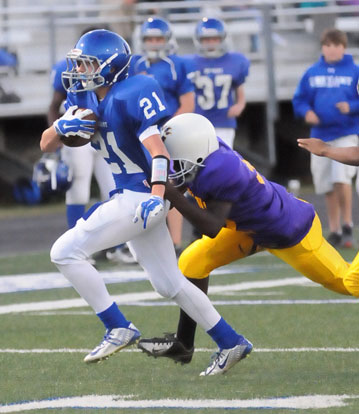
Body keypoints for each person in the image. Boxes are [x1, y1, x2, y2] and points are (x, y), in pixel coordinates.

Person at [40, 29, 252, 376]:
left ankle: (117, 326)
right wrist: (61, 126)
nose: (80, 70)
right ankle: (231, 341)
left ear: (110, 66)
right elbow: (46, 144)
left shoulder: (131, 93)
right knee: (169, 284)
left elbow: (159, 151)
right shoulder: (87, 98)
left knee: (64, 251)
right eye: (79, 63)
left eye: (88, 63)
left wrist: (156, 196)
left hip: (140, 196)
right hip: (134, 199)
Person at [137, 113, 358, 365]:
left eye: (178, 160)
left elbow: (210, 226)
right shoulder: (203, 151)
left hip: (289, 231)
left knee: (349, 282)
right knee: (191, 262)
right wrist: (157, 192)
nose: (174, 165)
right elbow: (183, 177)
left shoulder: (222, 169)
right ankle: (184, 344)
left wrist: (169, 194)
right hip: (247, 228)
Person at [49, 27, 135, 264]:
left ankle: (116, 247)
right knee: (79, 188)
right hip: (78, 135)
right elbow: (54, 105)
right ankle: (79, 248)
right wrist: (59, 131)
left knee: (112, 189)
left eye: (85, 61)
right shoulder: (69, 76)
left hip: (105, 136)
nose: (77, 68)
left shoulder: (122, 78)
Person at [129, 17, 195, 254]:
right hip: (140, 135)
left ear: (167, 40)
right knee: (141, 186)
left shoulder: (176, 64)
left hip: (167, 134)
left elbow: (188, 102)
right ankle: (143, 244)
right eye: (149, 39)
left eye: (158, 38)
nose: (154, 43)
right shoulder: (133, 64)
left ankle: (176, 243)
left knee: (171, 187)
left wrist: (168, 129)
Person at [292, 28, 359, 248]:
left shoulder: (354, 71)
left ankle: (348, 223)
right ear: (322, 47)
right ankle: (335, 229)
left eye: (336, 45)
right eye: (327, 45)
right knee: (326, 185)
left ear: (343, 47)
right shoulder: (312, 72)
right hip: (320, 135)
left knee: (342, 178)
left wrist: (351, 106)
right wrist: (307, 112)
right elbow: (300, 99)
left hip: (347, 131)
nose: (331, 49)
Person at [187, 17, 250, 149]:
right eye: (206, 39)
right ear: (199, 40)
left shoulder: (235, 60)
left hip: (224, 121)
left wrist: (240, 104)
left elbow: (239, 85)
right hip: (198, 121)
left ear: (223, 39)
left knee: (224, 160)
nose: (211, 43)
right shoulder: (189, 63)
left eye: (215, 39)